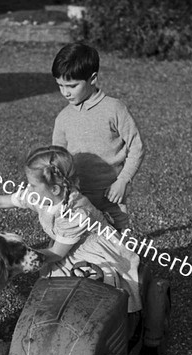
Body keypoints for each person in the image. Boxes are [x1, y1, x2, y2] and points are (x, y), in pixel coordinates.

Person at [0, 146, 142, 314]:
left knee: (100, 291)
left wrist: (15, 264)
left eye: (32, 184)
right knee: (57, 293)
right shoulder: (41, 196)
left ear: (54, 189)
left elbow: (55, 254)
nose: (28, 189)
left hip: (94, 252)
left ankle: (121, 323)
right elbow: (1, 201)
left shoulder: (75, 213)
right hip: (66, 246)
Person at [51, 42, 145, 232]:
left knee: (120, 244)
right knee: (79, 241)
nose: (65, 92)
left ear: (92, 78)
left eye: (72, 85)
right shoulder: (63, 117)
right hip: (77, 196)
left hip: (112, 196)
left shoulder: (114, 108)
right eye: (60, 85)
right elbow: (57, 157)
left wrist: (123, 181)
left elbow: (136, 147)